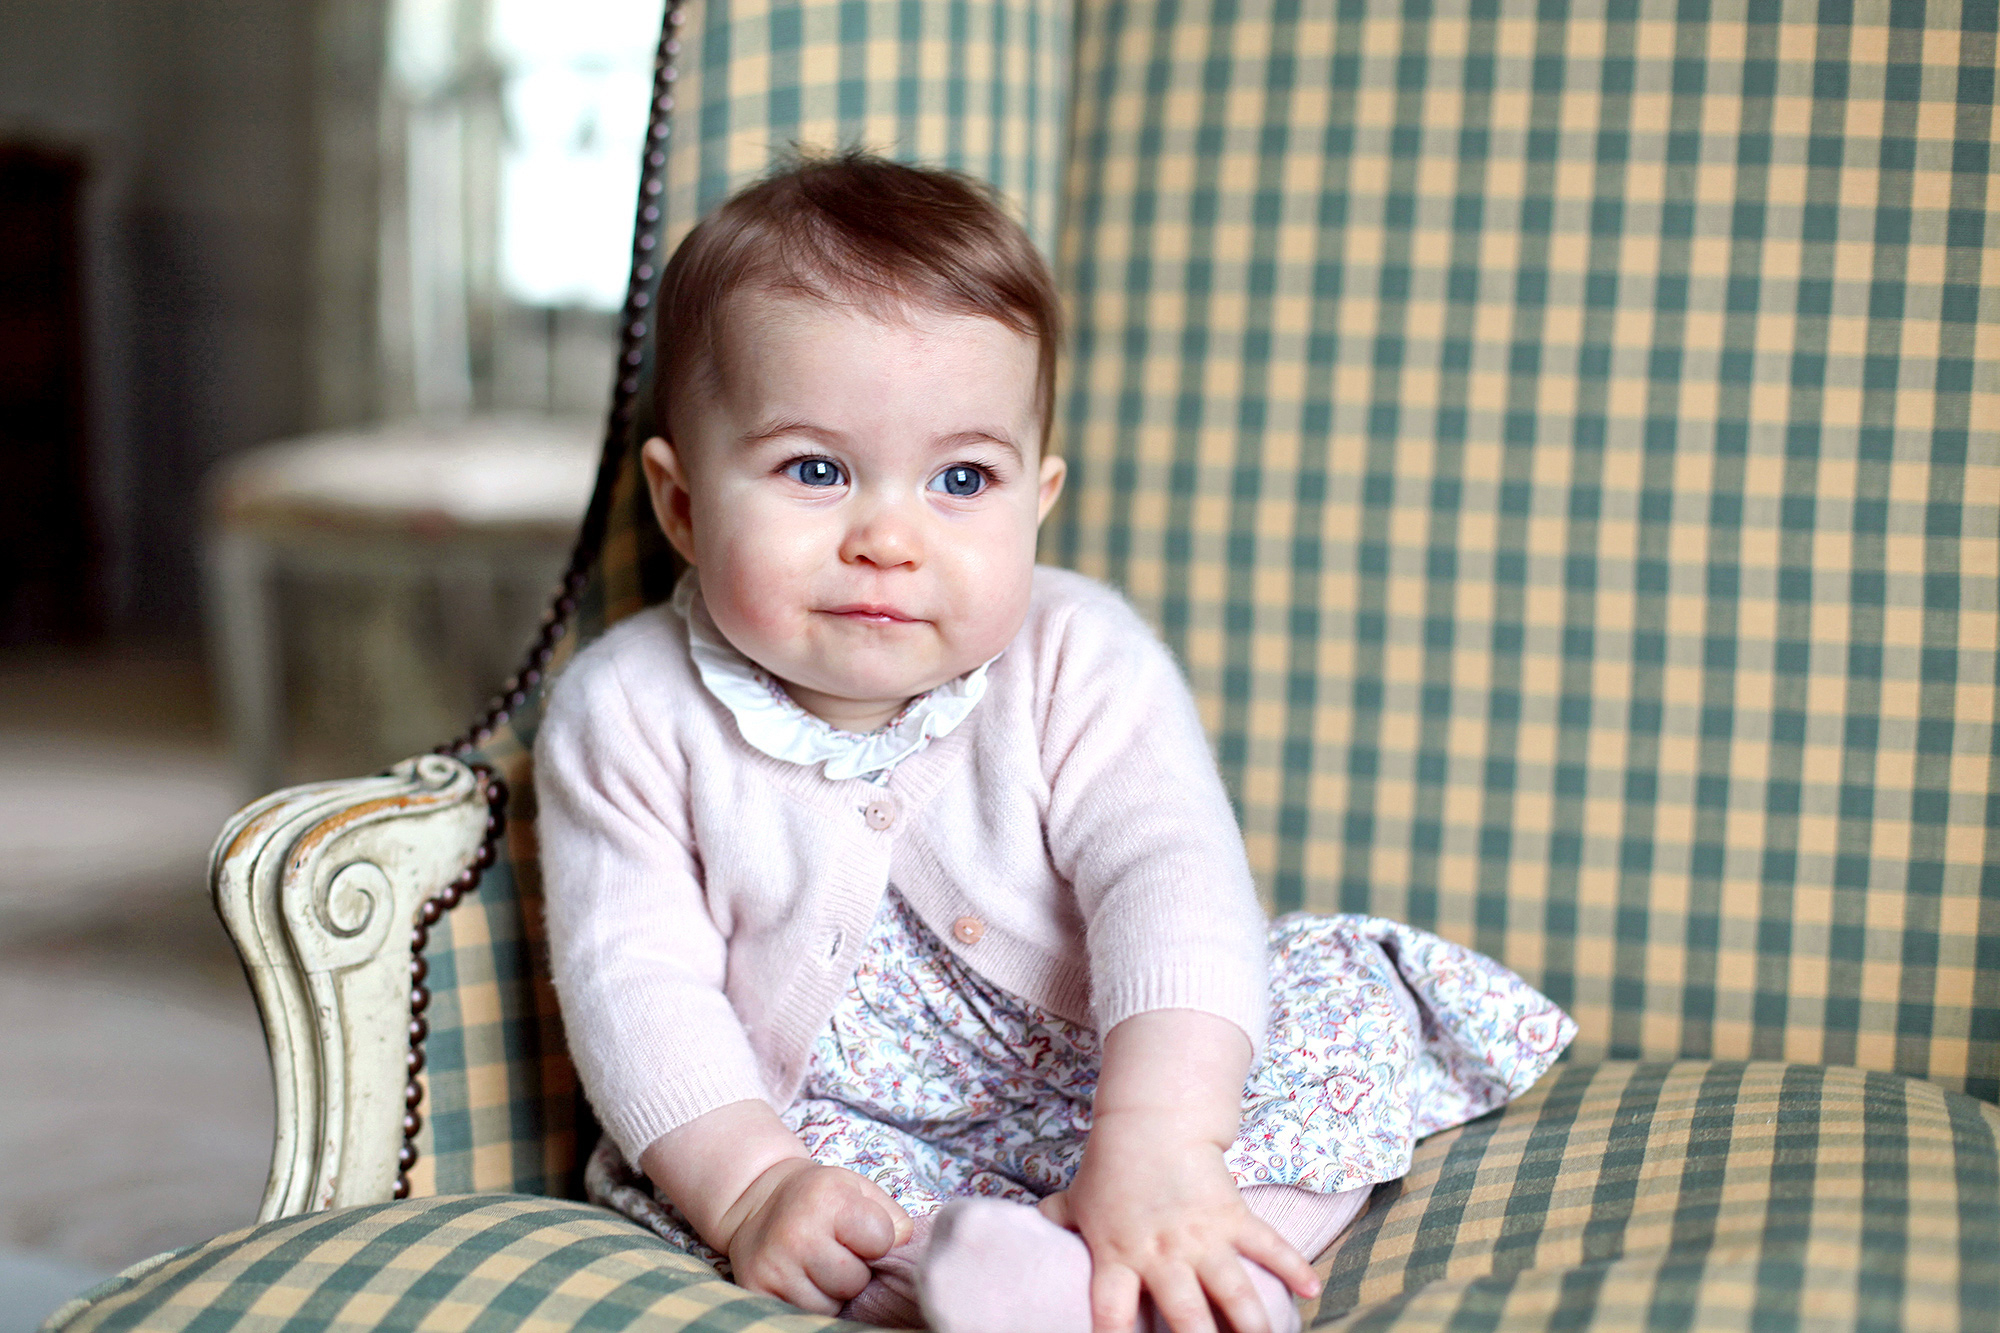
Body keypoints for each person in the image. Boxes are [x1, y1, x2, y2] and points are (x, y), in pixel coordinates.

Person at [535, 150, 1573, 1333]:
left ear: (1037, 499)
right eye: (815, 470)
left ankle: (1196, 1242)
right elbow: (634, 984)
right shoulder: (624, 711)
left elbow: (1167, 877)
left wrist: (1158, 1139)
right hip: (834, 1120)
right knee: (787, 1206)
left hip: (1116, 1066)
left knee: (1316, 1008)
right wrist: (752, 1185)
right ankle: (1001, 1282)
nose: (888, 537)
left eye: (961, 478)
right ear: (680, 503)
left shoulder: (1078, 653)